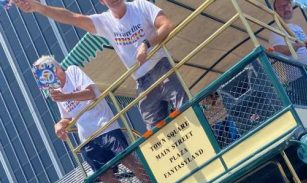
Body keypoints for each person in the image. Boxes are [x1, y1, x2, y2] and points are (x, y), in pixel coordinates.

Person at [16, 0, 187, 131]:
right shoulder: (105, 21)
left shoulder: (140, 6)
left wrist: (146, 43)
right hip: (141, 81)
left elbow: (166, 25)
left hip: (161, 68)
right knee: (156, 134)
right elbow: (71, 17)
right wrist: (38, 7)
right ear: (101, 1)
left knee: (187, 109)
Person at [32, 55, 155, 183]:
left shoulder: (72, 71)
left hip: (104, 125)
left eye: (47, 73)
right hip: (87, 138)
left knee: (127, 159)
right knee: (105, 175)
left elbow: (90, 93)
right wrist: (59, 125)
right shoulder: (57, 92)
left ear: (55, 68)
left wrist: (66, 96)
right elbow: (68, 117)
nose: (48, 79)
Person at [269, 0, 307, 69]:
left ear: (291, 6)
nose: (286, 8)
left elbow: (306, 45)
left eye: (287, 5)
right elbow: (277, 51)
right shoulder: (275, 29)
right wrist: (297, 45)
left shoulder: (297, 27)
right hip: (301, 75)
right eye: (281, 7)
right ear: (276, 12)